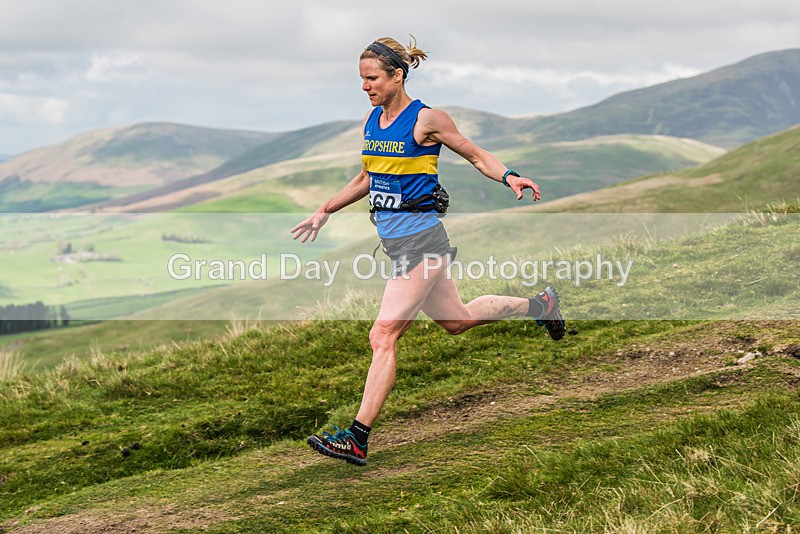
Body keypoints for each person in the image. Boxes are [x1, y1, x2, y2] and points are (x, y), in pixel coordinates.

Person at [291, 36, 564, 467]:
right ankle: (541, 304)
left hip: (422, 243)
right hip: (397, 243)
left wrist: (510, 176)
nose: (365, 86)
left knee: (382, 336)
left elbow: (475, 155)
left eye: (372, 78)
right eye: (361, 79)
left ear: (398, 75)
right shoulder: (372, 121)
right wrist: (324, 210)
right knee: (457, 320)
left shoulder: (426, 120)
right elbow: (367, 179)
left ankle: (357, 438)